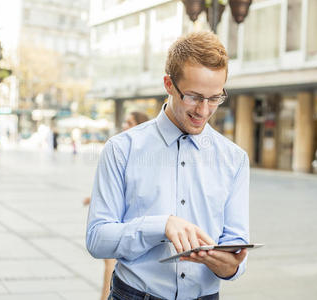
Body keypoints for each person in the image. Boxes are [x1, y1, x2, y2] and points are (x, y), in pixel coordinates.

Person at [86, 31, 250, 300]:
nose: (204, 110)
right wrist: (160, 226)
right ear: (169, 84)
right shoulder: (121, 150)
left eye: (214, 98)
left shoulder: (235, 159)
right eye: (194, 96)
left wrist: (231, 267)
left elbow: (237, 249)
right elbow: (96, 239)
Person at [84, 111, 149, 300]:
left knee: (111, 264)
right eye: (125, 121)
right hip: (117, 221)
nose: (124, 125)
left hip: (130, 223)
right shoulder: (121, 147)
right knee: (109, 263)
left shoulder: (143, 153)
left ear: (140, 125)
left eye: (129, 122)